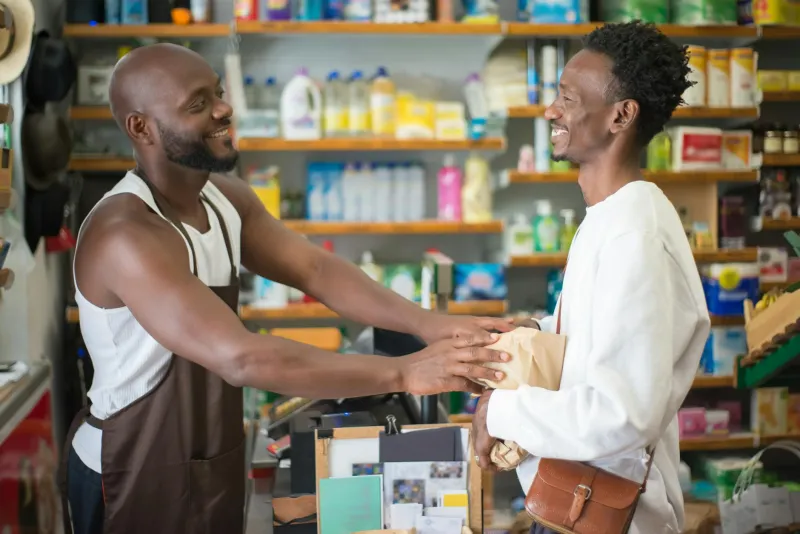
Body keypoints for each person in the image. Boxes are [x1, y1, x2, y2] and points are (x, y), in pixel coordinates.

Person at [59, 43, 516, 534]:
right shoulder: (126, 232)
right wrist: (404, 373)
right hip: (130, 468)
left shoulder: (221, 198)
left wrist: (431, 325)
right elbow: (242, 357)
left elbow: (315, 270)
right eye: (197, 104)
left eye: (217, 92)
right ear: (141, 128)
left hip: (207, 459)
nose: (223, 109)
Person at [471, 21, 710, 534]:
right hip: (572, 503)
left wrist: (501, 412)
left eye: (568, 98)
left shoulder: (635, 234)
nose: (551, 111)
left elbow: (621, 413)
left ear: (621, 116)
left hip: (610, 518)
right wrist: (531, 335)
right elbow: (602, 349)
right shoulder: (608, 218)